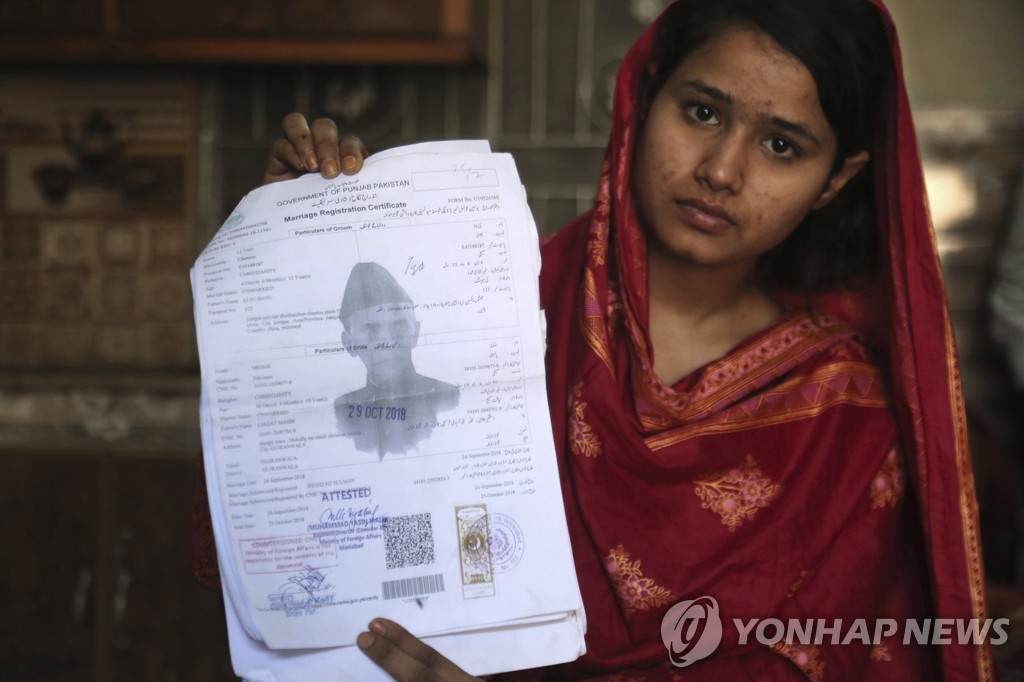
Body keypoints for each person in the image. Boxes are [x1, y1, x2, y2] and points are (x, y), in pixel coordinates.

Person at [193, 0, 997, 678]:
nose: (722, 170)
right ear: (645, 96)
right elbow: (304, 515)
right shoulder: (489, 305)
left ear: (836, 179)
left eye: (781, 145)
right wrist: (293, 250)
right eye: (703, 112)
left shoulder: (844, 417)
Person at [334, 261, 460, 459]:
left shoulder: (449, 399)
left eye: (399, 325)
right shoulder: (341, 412)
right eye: (371, 329)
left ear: (415, 332)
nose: (387, 341)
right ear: (349, 343)